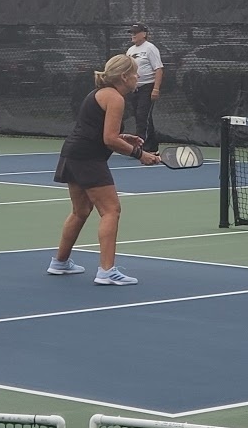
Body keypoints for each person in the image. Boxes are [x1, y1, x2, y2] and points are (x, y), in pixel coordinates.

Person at [49, 54, 161, 285]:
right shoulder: (115, 98)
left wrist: (125, 137)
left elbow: (99, 131)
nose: (138, 77)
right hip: (87, 158)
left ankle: (59, 262)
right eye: (135, 73)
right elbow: (109, 140)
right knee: (111, 210)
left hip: (73, 153)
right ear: (124, 77)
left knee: (80, 211)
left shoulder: (99, 94)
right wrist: (141, 154)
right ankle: (107, 271)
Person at [125, 23, 164, 152]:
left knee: (143, 116)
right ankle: (152, 147)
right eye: (132, 32)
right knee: (140, 116)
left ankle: (141, 147)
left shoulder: (150, 48)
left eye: (136, 32)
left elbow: (158, 69)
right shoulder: (130, 50)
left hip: (148, 87)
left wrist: (156, 89)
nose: (133, 35)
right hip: (134, 89)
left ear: (144, 34)